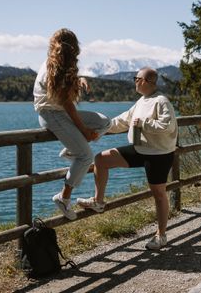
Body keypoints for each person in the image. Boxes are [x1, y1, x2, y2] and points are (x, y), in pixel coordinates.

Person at [77, 67, 178, 250]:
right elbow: (122, 121)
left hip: (158, 154)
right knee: (101, 159)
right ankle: (98, 202)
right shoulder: (141, 101)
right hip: (139, 149)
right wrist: (99, 128)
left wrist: (145, 123)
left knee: (159, 195)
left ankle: (161, 235)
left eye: (136, 78)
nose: (134, 81)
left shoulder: (161, 101)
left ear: (146, 81)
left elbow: (168, 126)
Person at [33, 28, 111, 221]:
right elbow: (67, 104)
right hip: (51, 114)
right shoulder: (53, 68)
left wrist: (79, 79)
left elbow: (65, 92)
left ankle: (72, 151)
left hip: (59, 113)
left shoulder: (61, 65)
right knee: (86, 156)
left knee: (104, 122)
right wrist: (84, 131)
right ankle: (63, 197)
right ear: (74, 47)